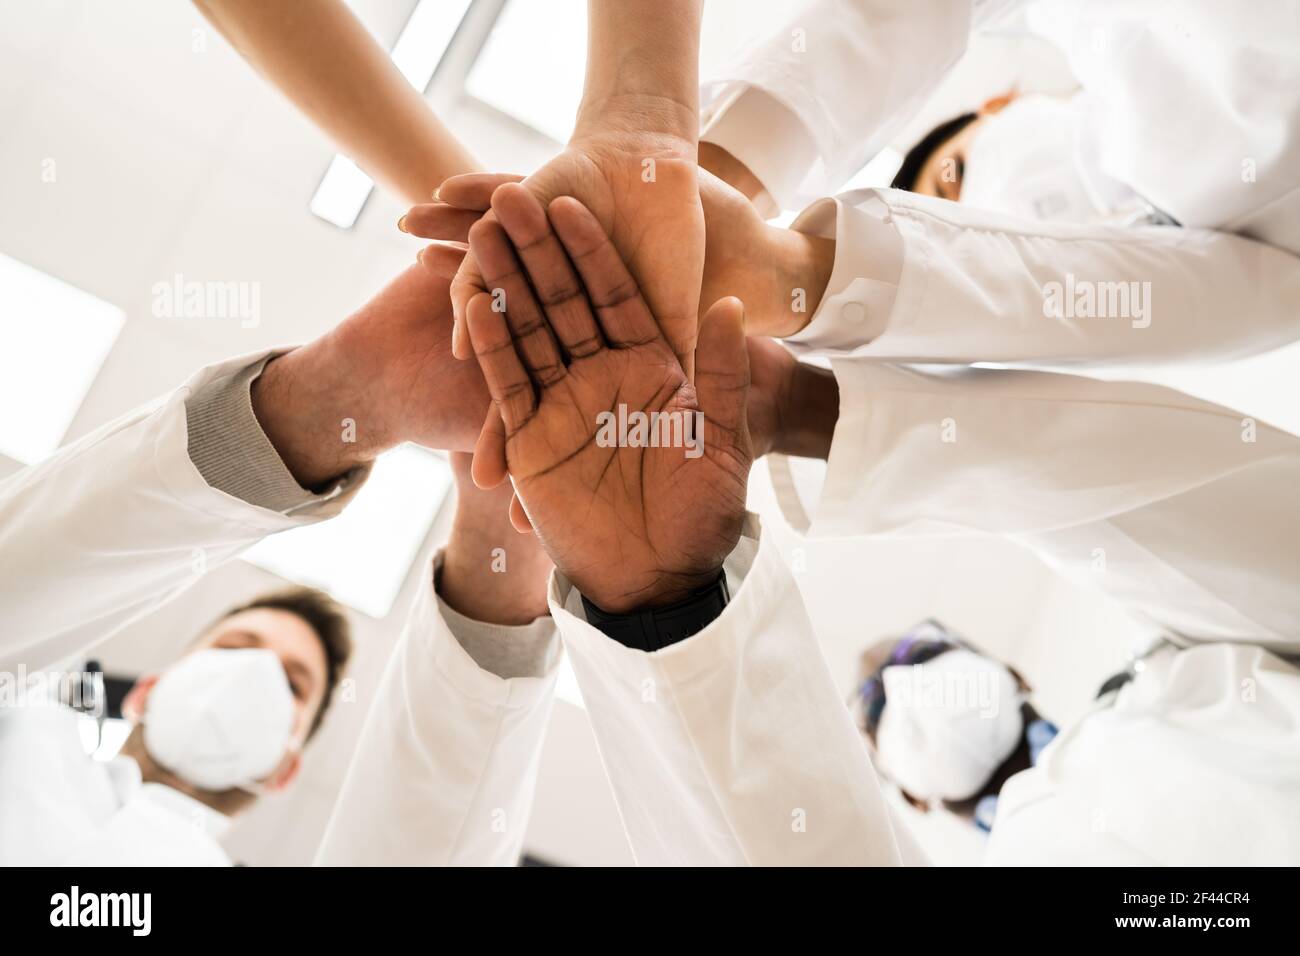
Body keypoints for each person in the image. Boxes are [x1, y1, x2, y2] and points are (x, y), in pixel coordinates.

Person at [0, 587, 351, 865]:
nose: (253, 675)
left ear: (285, 771)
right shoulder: (25, 728)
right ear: (145, 693)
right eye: (231, 649)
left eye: (291, 686)